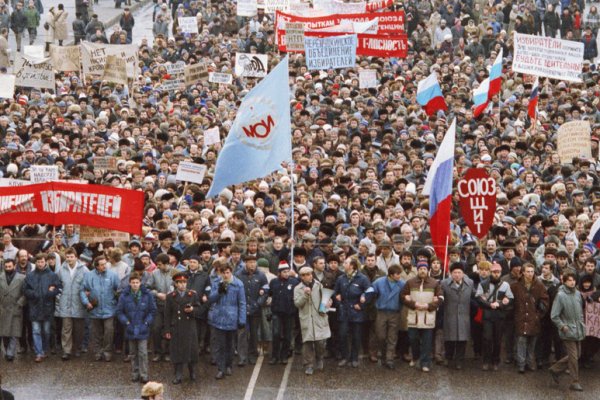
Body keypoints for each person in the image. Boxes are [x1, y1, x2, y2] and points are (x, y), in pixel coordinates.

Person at [401, 259, 442, 372]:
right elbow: (403, 296)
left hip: (427, 317)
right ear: (417, 270)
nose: (422, 271)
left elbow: (440, 298)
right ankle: (415, 357)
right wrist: (413, 304)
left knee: (427, 342)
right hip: (413, 316)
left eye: (424, 269)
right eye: (420, 269)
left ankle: (425, 363)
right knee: (413, 339)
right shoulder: (410, 282)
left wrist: (429, 306)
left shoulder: (435, 283)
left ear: (428, 270)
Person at [116, 272, 157, 384]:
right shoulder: (124, 296)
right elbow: (119, 312)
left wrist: (147, 323)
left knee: (143, 353)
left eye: (137, 282)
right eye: (133, 282)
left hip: (143, 327)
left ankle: (144, 375)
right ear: (129, 283)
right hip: (130, 327)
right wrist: (126, 322)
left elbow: (152, 311)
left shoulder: (147, 295)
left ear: (140, 283)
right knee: (133, 353)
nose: (135, 284)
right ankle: (135, 373)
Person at [208, 262, 246, 380]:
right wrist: (218, 292)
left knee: (230, 345)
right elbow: (211, 299)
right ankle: (221, 368)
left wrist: (242, 319)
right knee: (220, 345)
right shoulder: (216, 283)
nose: (225, 275)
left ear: (231, 272)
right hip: (218, 318)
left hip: (232, 318)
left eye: (227, 272)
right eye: (223, 273)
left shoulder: (238, 284)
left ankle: (229, 365)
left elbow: (242, 303)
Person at [549, 271, 586, 392]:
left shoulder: (578, 294)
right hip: (568, 330)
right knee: (574, 357)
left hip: (578, 329)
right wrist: (563, 326)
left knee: (577, 355)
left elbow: (580, 311)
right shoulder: (560, 295)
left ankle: (554, 369)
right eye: (569, 280)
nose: (572, 282)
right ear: (564, 281)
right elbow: (554, 315)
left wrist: (582, 324)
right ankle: (575, 381)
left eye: (574, 280)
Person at [334, 257, 373, 368]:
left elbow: (370, 292)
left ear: (352, 266)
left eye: (346, 262)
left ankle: (354, 358)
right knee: (342, 335)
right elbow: (335, 292)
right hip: (344, 311)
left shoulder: (363, 278)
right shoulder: (341, 278)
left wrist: (361, 305)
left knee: (356, 336)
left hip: (357, 313)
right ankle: (345, 357)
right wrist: (338, 300)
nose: (343, 264)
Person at [511, 263, 549, 373]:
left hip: (534, 318)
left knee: (532, 342)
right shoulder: (515, 286)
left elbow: (545, 301)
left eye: (532, 271)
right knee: (521, 341)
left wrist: (539, 315)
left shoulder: (539, 285)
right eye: (527, 271)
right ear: (523, 272)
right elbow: (511, 302)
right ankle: (521, 364)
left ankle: (529, 361)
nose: (530, 274)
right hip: (520, 318)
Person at [81, 255, 120, 362]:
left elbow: (119, 289)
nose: (104, 266)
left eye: (105, 264)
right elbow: (82, 290)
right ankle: (97, 352)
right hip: (94, 309)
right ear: (96, 266)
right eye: (102, 265)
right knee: (95, 332)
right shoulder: (89, 275)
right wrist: (86, 302)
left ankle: (107, 351)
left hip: (109, 309)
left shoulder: (113, 275)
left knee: (109, 331)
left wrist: (116, 302)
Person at [164, 271, 201, 384]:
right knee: (177, 351)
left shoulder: (192, 295)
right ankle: (178, 374)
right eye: (179, 283)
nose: (182, 285)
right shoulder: (171, 296)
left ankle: (192, 371)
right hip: (176, 327)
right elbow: (167, 314)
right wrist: (167, 330)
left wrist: (192, 310)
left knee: (191, 350)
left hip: (189, 326)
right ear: (175, 284)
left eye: (184, 282)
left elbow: (199, 309)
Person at [476, 261, 514, 371]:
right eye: (494, 272)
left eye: (498, 272)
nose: (496, 274)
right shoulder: (483, 284)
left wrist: (501, 304)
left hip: (499, 315)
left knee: (498, 340)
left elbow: (510, 298)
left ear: (501, 273)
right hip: (487, 314)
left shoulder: (505, 285)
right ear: (490, 272)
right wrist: (489, 304)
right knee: (487, 338)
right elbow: (478, 297)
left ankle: (495, 361)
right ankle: (486, 360)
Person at [24, 253, 61, 362]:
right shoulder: (30, 275)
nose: (40, 264)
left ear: (45, 262)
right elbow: (25, 290)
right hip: (34, 307)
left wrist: (50, 293)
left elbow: (58, 288)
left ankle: (44, 349)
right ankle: (39, 352)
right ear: (35, 262)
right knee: (36, 330)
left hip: (47, 307)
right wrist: (33, 294)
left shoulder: (52, 275)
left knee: (46, 331)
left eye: (42, 261)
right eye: (38, 262)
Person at [294, 266, 331, 375]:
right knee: (307, 343)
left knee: (320, 342)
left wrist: (328, 303)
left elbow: (325, 299)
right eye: (304, 275)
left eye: (309, 274)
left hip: (319, 317)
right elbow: (297, 304)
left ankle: (320, 357)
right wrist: (305, 295)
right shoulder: (298, 288)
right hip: (306, 319)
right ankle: (308, 365)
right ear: (301, 277)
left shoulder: (319, 285)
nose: (308, 277)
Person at [235, 254, 268, 366]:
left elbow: (265, 291)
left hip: (255, 310)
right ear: (245, 263)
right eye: (250, 262)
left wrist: (258, 303)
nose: (252, 264)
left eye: (254, 262)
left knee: (254, 333)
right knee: (242, 334)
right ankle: (242, 357)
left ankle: (253, 354)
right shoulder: (238, 275)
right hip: (242, 309)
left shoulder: (261, 275)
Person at [55, 248, 87, 360]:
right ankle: (66, 351)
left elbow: (88, 284)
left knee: (79, 329)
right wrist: (59, 296)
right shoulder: (61, 269)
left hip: (78, 303)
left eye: (71, 257)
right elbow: (57, 284)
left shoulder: (84, 269)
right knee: (66, 329)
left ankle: (77, 348)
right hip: (65, 303)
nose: (69, 259)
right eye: (67, 257)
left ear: (76, 257)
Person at [441, 262, 475, 370]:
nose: (457, 275)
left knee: (462, 339)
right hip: (450, 314)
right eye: (454, 272)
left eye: (459, 272)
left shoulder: (470, 283)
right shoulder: (444, 283)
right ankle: (448, 357)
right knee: (449, 338)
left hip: (464, 315)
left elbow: (475, 295)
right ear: (451, 273)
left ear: (463, 273)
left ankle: (459, 360)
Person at [371, 264, 405, 369]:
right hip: (381, 312)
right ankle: (383, 355)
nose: (399, 276)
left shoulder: (402, 284)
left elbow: (405, 297)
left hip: (395, 312)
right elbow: (371, 294)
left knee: (392, 337)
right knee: (380, 336)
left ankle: (389, 359)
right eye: (397, 274)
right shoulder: (378, 282)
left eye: (400, 274)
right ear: (391, 274)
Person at [268, 260, 299, 365]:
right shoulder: (273, 282)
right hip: (277, 312)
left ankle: (284, 355)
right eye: (284, 272)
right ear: (279, 273)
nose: (286, 274)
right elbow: (270, 293)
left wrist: (296, 275)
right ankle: (274, 356)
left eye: (287, 271)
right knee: (276, 334)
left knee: (287, 335)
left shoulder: (294, 282)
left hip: (289, 313)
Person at [0, 259, 26, 362]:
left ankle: (10, 353)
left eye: (10, 266)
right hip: (2, 308)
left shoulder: (22, 278)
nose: (8, 268)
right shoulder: (0, 277)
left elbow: (25, 293)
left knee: (14, 332)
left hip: (15, 307)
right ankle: (7, 351)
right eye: (6, 267)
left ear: (14, 266)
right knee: (4, 333)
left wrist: (20, 303)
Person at [149, 253, 172, 363]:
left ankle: (167, 352)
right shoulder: (154, 273)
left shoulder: (175, 272)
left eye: (160, 264)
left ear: (167, 264)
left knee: (169, 329)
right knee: (156, 328)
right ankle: (158, 352)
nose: (157, 266)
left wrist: (171, 294)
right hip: (158, 305)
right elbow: (148, 288)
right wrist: (157, 294)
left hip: (171, 306)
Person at [185, 255, 210, 354]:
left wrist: (205, 295)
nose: (192, 264)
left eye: (194, 262)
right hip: (186, 304)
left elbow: (208, 288)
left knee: (199, 328)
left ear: (198, 264)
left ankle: (200, 345)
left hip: (199, 305)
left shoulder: (204, 275)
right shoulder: (184, 275)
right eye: (190, 262)